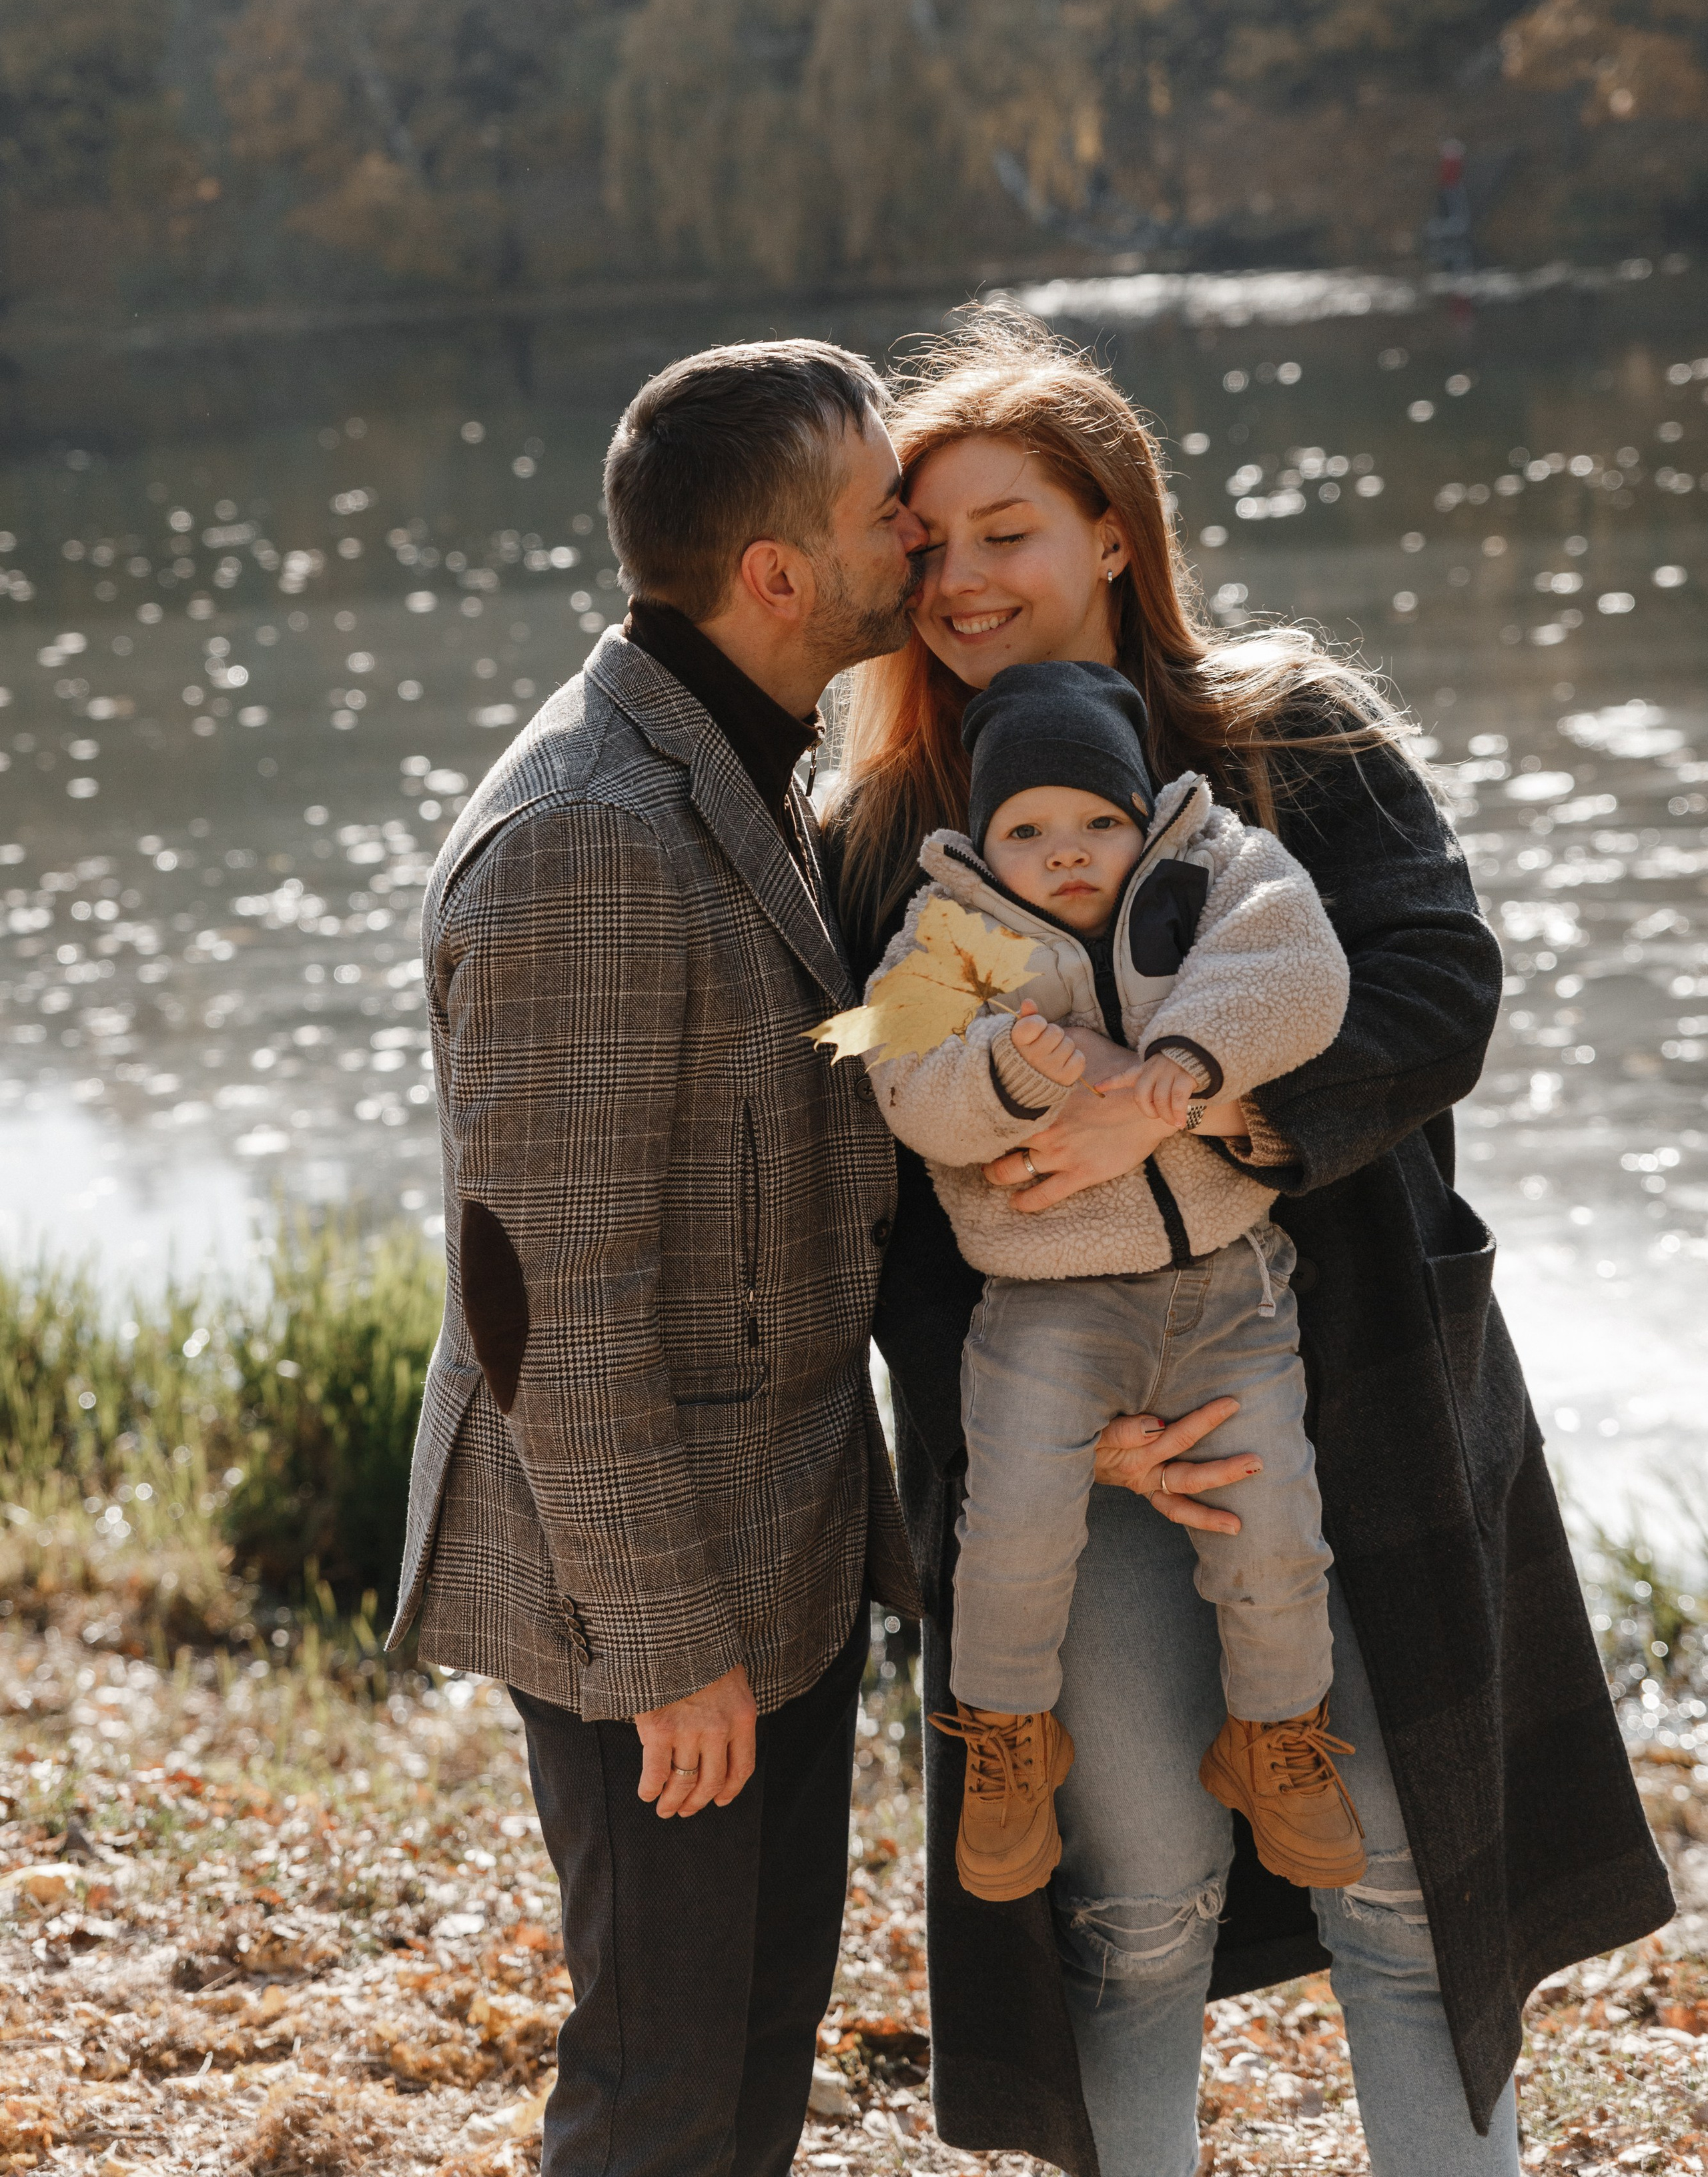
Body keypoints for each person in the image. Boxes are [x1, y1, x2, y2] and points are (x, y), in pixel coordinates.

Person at [824, 305, 1672, 2177]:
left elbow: (1440, 985)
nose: (962, 581)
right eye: (929, 542)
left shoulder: (1288, 734)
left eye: (1007, 530)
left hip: (1339, 1372)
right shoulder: (886, 831)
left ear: (1115, 533)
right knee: (1128, 1917)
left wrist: (1190, 1100)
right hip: (1072, 1437)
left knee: (1403, 1889)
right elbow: (858, 1182)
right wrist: (1060, 1428)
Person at [388, 339, 930, 2177]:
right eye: (885, 511)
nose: (919, 531)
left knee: (756, 2055)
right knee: (664, 2089)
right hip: (648, 1585)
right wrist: (669, 1642)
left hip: (771, 1532)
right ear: (777, 575)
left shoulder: (738, 746)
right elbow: (546, 1306)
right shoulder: (589, 842)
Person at [855, 657, 1361, 1901]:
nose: (1067, 851)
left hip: (1232, 1285)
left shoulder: (1216, 867)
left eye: (1098, 821)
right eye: (1027, 829)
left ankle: (1275, 1735)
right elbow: (908, 1085)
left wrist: (1178, 1068)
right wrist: (1020, 1072)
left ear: (1145, 814)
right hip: (1046, 1299)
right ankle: (1009, 1735)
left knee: (1275, 1524)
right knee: (1013, 1523)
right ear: (983, 839)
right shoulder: (949, 935)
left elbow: (1302, 974)